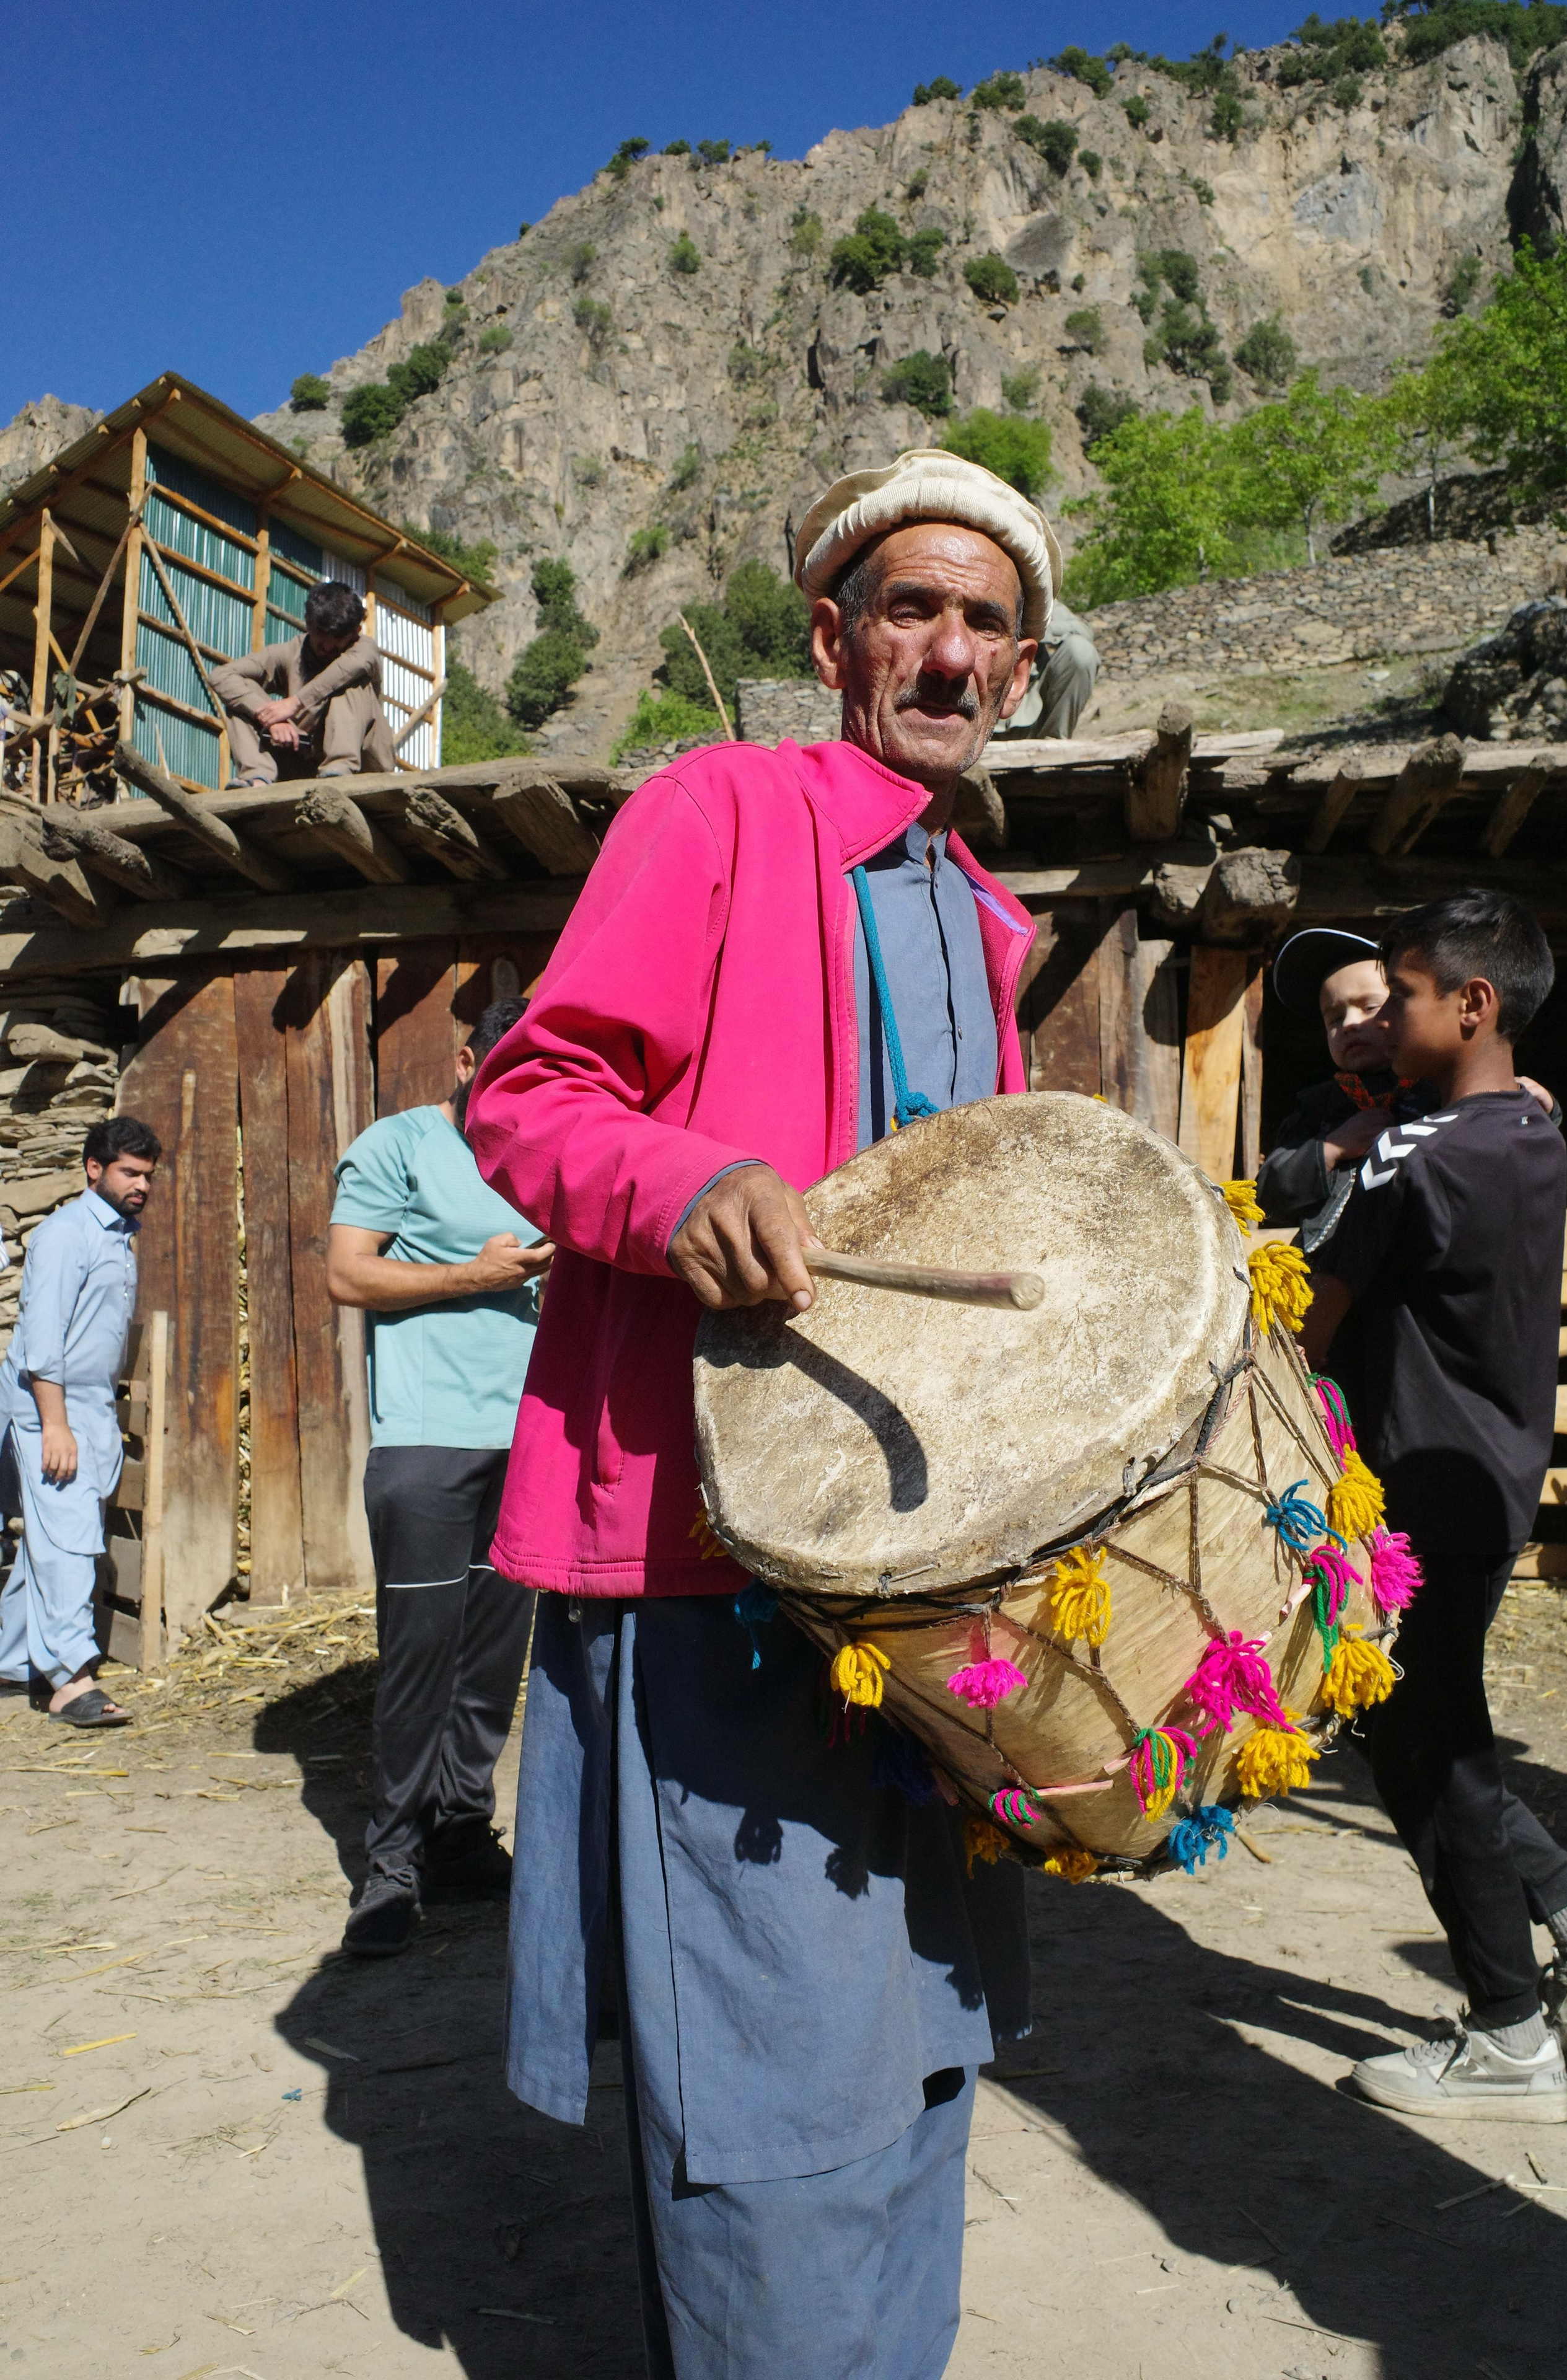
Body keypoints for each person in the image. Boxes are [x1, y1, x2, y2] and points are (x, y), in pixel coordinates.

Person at [468, 446, 1047, 2379]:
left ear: (1021, 668)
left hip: (929, 1575)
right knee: (779, 2095)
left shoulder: (980, 917)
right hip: (722, 1558)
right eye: (912, 606)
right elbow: (529, 1099)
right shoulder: (721, 809)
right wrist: (680, 1180)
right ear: (832, 636)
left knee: (928, 2047)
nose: (949, 649)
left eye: (986, 619)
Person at [1299, 891, 1567, 2120]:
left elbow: (1307, 1312)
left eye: (1401, 996)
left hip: (1405, 1498)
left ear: (1469, 1006)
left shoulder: (1413, 1156)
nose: (1381, 1016)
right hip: (1487, 1485)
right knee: (1427, 1736)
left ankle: (1508, 2034)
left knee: (1429, 1759)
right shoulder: (1526, 1138)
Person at [327, 998, 554, 1957]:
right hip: (427, 1442)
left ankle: (462, 1834)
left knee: (493, 1664)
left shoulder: (543, 1157)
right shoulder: (400, 1145)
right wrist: (476, 1276)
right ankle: (392, 1867)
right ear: (465, 1060)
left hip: (530, 1442)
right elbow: (349, 1276)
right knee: (421, 1655)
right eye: (502, 1071)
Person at [0, 1117, 160, 1727]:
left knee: (50, 1536)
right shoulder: (66, 1234)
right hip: (52, 1407)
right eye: (129, 1172)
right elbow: (41, 1341)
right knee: (69, 1539)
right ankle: (71, 1680)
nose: (141, 1184)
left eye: (147, 1175)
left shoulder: (116, 1236)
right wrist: (54, 1424)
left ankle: (15, 1661)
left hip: (87, 1406)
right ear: (94, 1169)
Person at [1259, 925, 1556, 1254]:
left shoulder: (1441, 1084)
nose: (1349, 1025)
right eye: (1333, 1018)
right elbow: (1269, 1193)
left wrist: (1538, 1107)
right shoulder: (1318, 1105)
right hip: (1335, 1265)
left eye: (1370, 1007)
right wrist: (1333, 1148)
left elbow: (1505, 1140)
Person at [211, 580, 397, 788]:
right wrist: (271, 719)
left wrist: (296, 703)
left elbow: (350, 667)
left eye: (336, 640)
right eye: (321, 636)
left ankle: (339, 769)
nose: (327, 646)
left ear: (356, 631)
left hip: (365, 763)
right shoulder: (290, 653)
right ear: (308, 622)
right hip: (305, 762)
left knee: (346, 680)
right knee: (240, 697)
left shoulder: (365, 649)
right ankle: (257, 776)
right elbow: (222, 676)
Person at [990, 593, 1099, 741]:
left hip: (1033, 705)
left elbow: (1084, 630)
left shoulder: (1040, 600)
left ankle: (1055, 743)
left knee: (1081, 651)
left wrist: (1040, 630)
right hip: (983, 712)